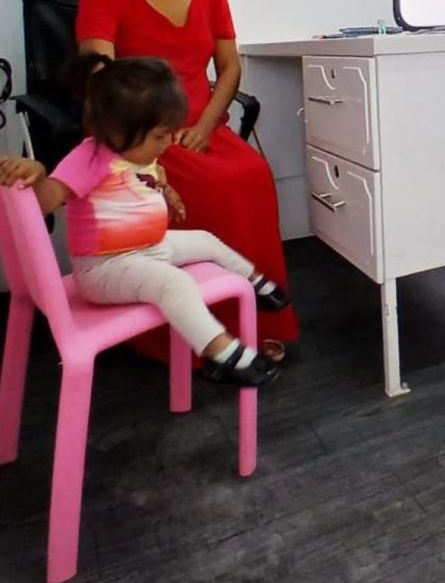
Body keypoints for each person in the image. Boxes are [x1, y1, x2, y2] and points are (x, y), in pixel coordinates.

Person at [76, 0, 298, 356]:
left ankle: (256, 318)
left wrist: (205, 127)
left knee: (254, 174)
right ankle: (193, 336)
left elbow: (229, 68)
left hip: (204, 128)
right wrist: (142, 142)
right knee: (213, 187)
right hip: (143, 136)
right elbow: (99, 77)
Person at [0, 56, 284, 386]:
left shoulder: (137, 152)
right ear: (118, 131)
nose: (168, 143)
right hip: (105, 268)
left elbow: (153, 180)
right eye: (161, 136)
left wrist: (170, 195)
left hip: (148, 249)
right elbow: (49, 198)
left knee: (207, 240)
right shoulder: (90, 157)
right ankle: (222, 354)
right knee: (174, 284)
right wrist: (36, 174)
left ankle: (257, 284)